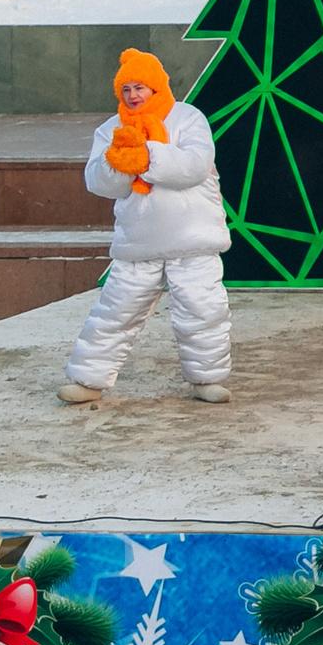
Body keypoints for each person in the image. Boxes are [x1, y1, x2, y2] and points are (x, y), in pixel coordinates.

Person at [60, 49, 233, 404]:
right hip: (139, 243)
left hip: (193, 239)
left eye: (140, 87)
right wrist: (120, 163)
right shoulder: (111, 129)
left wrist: (148, 156)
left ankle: (207, 380)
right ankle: (88, 381)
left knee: (203, 311)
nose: (133, 95)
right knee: (114, 312)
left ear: (156, 87)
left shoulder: (188, 118)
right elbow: (98, 182)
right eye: (126, 89)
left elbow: (195, 166)